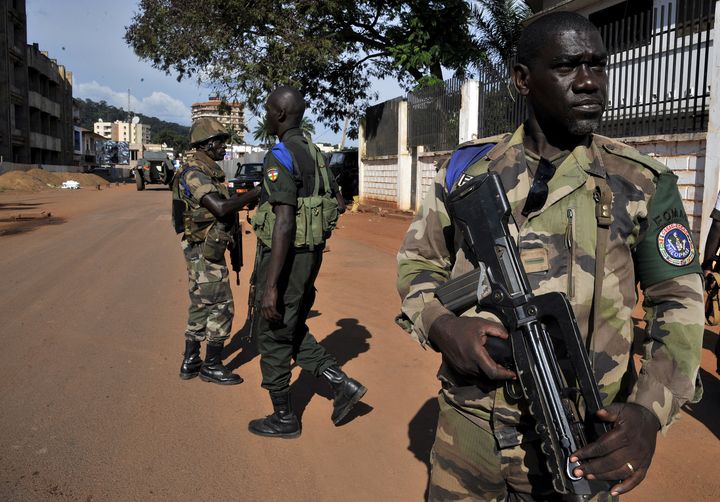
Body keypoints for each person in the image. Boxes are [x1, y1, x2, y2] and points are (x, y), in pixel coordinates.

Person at [396, 12, 703, 501]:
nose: (588, 82)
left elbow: (678, 303)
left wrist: (649, 411)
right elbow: (418, 265)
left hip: (582, 435)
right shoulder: (467, 171)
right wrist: (442, 326)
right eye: (567, 66)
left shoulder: (642, 182)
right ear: (522, 79)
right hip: (470, 422)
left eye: (597, 66)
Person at [248, 86, 367, 438]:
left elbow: (284, 221)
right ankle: (340, 383)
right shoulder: (315, 153)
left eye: (269, 110)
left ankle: (284, 418)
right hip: (309, 257)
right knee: (291, 325)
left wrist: (271, 286)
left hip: (285, 260)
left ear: (281, 114)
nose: (266, 115)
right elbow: (340, 202)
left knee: (271, 334)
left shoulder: (281, 154)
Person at [174, 117, 260, 385]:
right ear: (208, 144)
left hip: (204, 247)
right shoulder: (194, 173)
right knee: (222, 306)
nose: (224, 148)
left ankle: (191, 360)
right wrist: (255, 193)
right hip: (202, 251)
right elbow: (220, 208)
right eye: (221, 142)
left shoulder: (206, 171)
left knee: (200, 304)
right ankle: (211, 364)